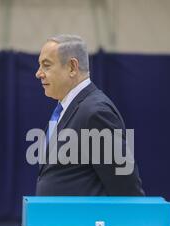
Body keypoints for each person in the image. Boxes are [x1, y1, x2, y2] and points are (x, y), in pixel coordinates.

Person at [34, 34, 145, 196]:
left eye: (46, 65)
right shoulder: (65, 108)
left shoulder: (96, 112)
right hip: (57, 221)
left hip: (81, 222)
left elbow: (126, 189)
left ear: (72, 67)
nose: (38, 73)